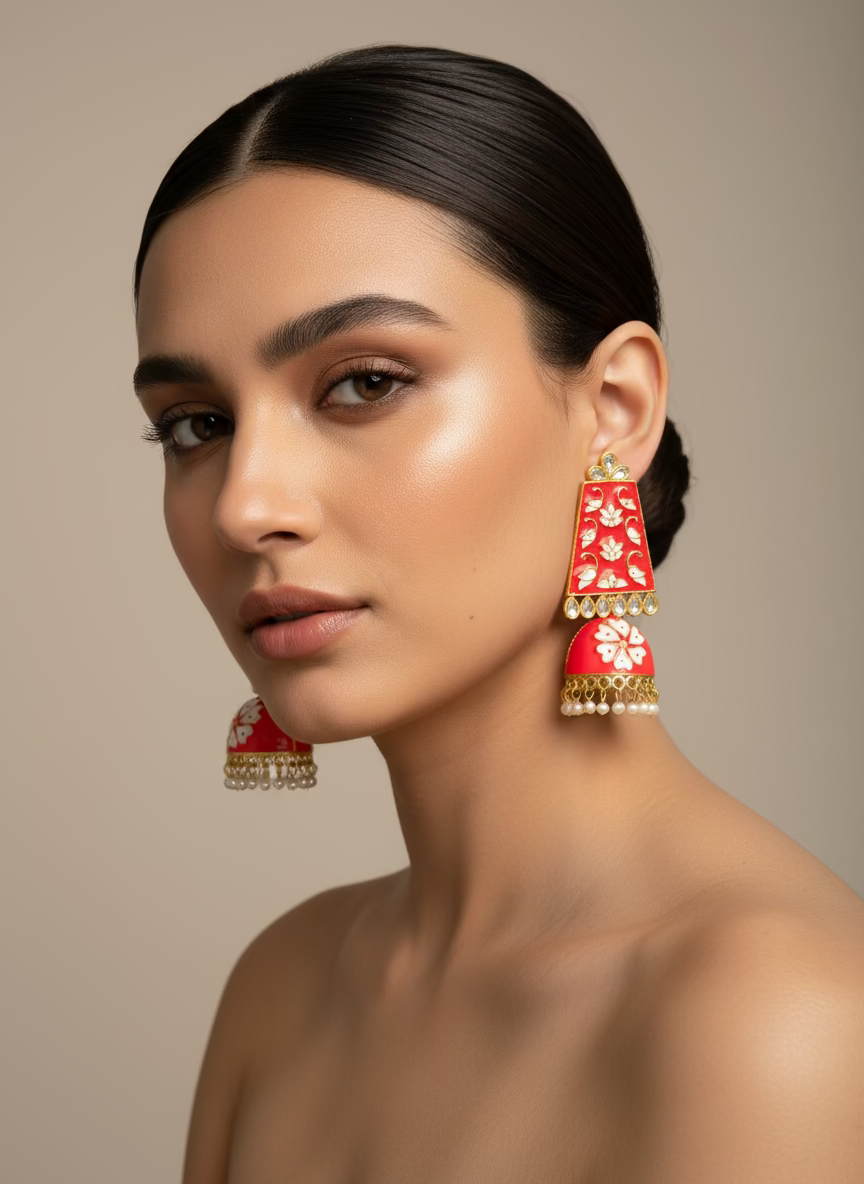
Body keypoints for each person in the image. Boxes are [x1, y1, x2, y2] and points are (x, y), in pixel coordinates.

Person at [132, 43, 864, 1184]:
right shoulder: (280, 989)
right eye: (196, 423)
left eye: (364, 382)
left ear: (613, 408)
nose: (245, 505)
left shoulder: (776, 1019)